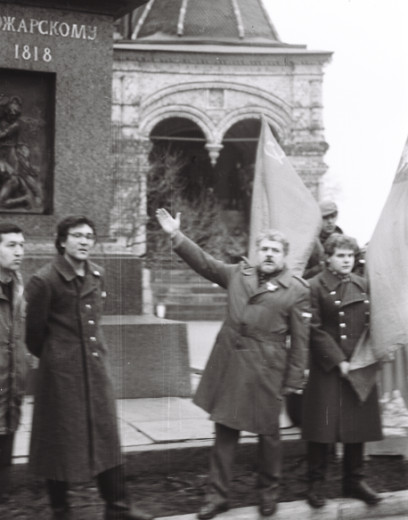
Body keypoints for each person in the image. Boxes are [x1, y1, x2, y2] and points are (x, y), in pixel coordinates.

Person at [156, 208, 311, 519]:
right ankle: (217, 496)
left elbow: (301, 341)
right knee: (225, 432)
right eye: (264, 249)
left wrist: (294, 381)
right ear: (256, 252)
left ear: (284, 256)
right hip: (232, 365)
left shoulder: (296, 290)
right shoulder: (239, 275)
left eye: (275, 250)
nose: (268, 254)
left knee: (268, 436)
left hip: (268, 370)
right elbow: (205, 264)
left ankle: (268, 493)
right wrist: (177, 235)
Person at [25, 215, 153, 520]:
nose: (84, 242)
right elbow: (34, 335)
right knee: (60, 441)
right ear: (62, 241)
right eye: (77, 235)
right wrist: (60, 358)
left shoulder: (97, 274)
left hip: (95, 369)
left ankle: (118, 507)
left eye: (89, 236)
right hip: (61, 376)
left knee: (106, 434)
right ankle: (61, 511)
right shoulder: (44, 280)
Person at [302, 233, 382, 509]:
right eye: (341, 255)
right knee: (321, 427)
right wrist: (339, 360)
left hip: (359, 365)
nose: (346, 260)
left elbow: (373, 323)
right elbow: (313, 328)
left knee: (356, 426)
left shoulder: (363, 284)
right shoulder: (314, 285)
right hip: (328, 367)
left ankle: (353, 481)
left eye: (350, 255)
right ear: (328, 258)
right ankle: (315, 483)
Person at [0, 223, 27, 502]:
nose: (19, 251)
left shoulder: (19, 288)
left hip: (10, 397)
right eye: (11, 245)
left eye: (21, 245)